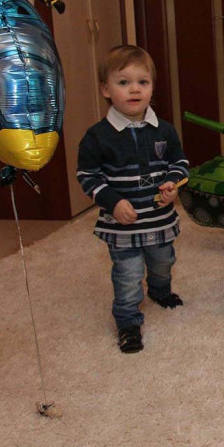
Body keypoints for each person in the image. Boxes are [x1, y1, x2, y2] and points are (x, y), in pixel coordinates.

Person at [77, 45, 189, 354]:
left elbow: (179, 163)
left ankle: (160, 290)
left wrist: (173, 183)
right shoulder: (97, 136)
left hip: (159, 220)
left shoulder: (164, 130)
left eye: (143, 82)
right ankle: (127, 323)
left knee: (163, 262)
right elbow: (88, 176)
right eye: (124, 82)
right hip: (122, 226)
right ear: (106, 90)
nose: (135, 89)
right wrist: (113, 201)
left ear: (152, 87)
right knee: (128, 276)